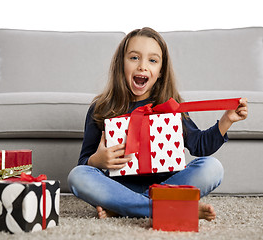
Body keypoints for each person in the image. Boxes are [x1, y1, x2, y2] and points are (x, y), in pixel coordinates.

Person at [67, 27, 248, 221]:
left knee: (213, 167)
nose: (142, 66)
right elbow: (84, 163)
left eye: (152, 60)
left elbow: (199, 145)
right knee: (77, 176)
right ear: (121, 64)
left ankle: (126, 208)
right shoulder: (101, 108)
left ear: (160, 71)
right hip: (119, 188)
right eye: (134, 58)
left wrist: (227, 120)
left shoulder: (170, 106)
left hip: (168, 187)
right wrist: (97, 161)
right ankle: (173, 209)